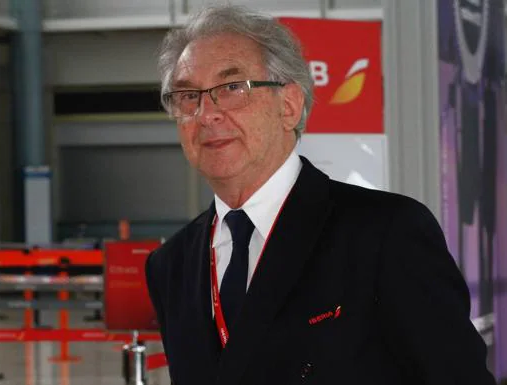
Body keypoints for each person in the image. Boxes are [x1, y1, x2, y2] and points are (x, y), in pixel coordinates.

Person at [144, 5, 497, 385]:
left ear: (290, 106)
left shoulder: (385, 234)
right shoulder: (171, 266)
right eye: (187, 96)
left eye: (232, 88)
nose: (206, 114)